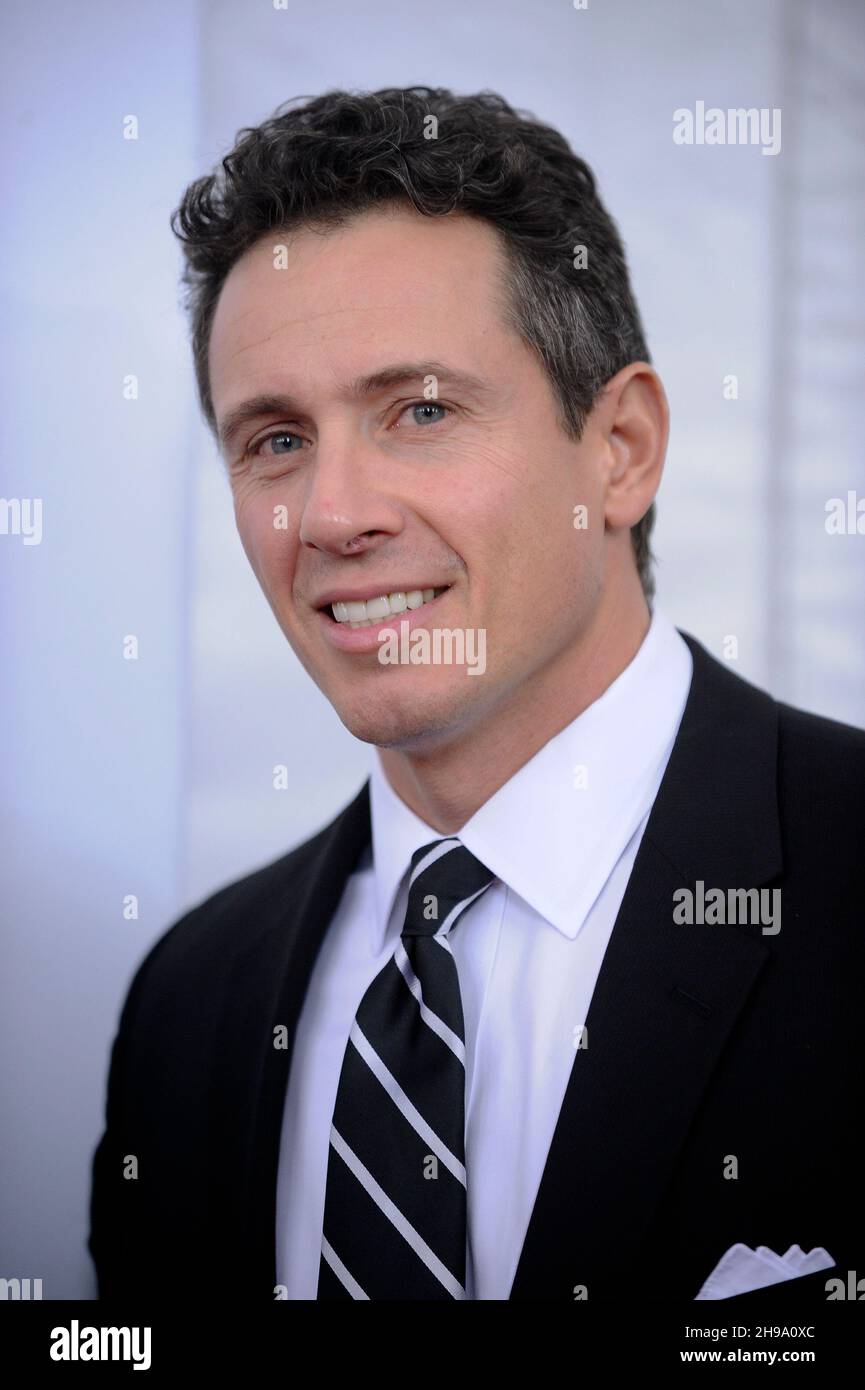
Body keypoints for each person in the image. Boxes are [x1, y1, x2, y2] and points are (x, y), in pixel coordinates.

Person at [89, 86, 863, 1303]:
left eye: (423, 411)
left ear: (620, 451)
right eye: (276, 439)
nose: (335, 515)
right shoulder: (192, 1000)